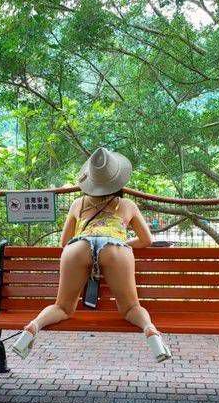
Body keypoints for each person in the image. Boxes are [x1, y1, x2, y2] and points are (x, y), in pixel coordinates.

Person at [11, 147, 172, 362]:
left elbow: (64, 242)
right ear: (118, 180)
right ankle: (150, 330)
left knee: (62, 307)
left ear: (91, 180)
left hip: (78, 247)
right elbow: (146, 240)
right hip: (115, 249)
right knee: (131, 308)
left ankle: (33, 326)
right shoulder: (127, 205)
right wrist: (119, 244)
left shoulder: (77, 204)